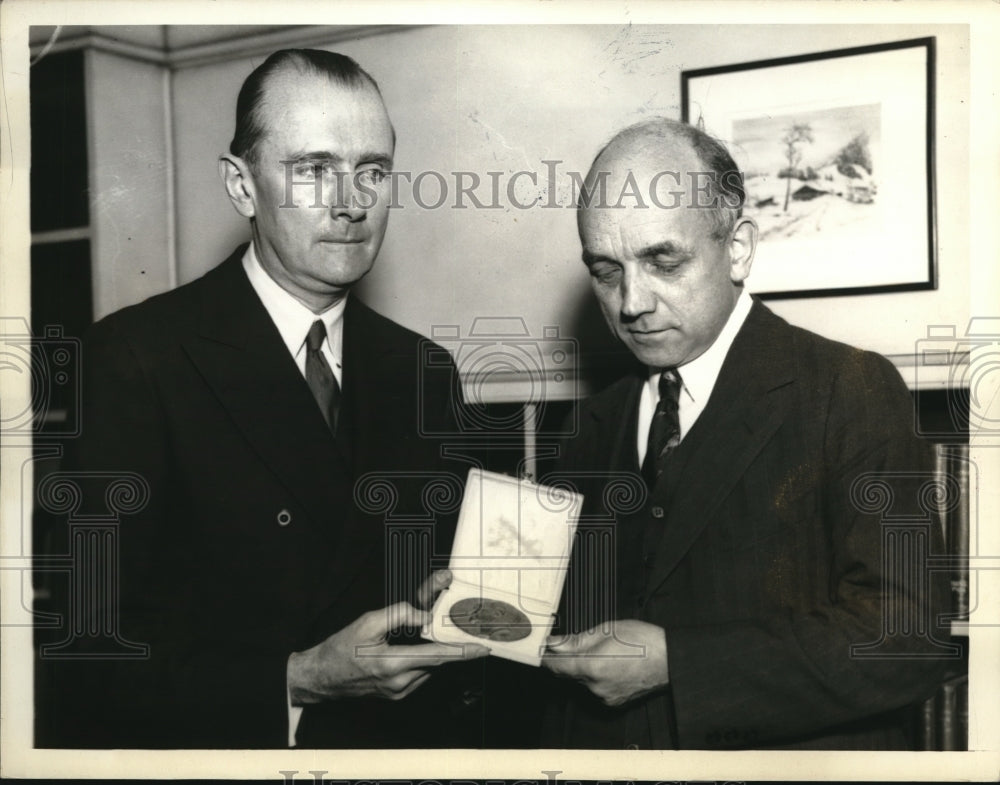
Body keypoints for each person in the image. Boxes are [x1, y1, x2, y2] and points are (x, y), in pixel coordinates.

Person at [45, 49, 488, 749]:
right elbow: (85, 654)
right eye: (314, 169)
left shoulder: (424, 370)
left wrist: (450, 602)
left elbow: (438, 585)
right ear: (242, 186)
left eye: (371, 171)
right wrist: (296, 678)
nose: (351, 202)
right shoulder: (136, 359)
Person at [540, 118, 951, 749]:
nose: (631, 302)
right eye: (606, 270)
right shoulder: (592, 427)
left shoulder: (850, 390)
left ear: (738, 248)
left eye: (663, 261)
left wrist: (679, 664)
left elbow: (907, 637)